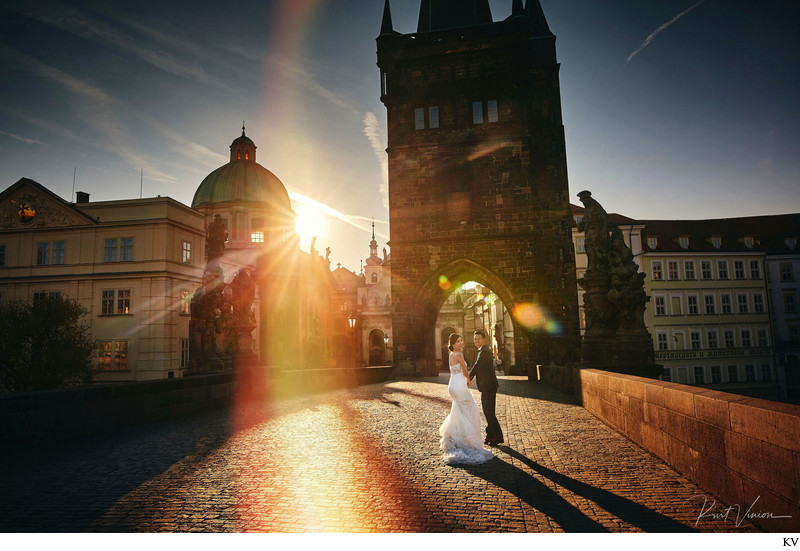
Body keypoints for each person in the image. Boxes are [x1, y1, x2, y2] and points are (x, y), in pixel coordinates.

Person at [439, 334, 494, 465]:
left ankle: (457, 437)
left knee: (458, 411)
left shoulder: (451, 354)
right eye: (458, 341)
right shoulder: (459, 354)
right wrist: (468, 381)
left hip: (452, 385)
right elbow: (465, 371)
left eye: (461, 340)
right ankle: (467, 440)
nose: (461, 343)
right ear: (452, 343)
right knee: (470, 411)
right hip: (460, 385)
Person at [469, 329, 504, 446]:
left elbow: (477, 365)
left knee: (488, 411)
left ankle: (498, 436)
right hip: (488, 385)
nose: (476, 341)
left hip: (488, 386)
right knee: (489, 411)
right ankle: (490, 435)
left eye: (478, 339)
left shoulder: (485, 350)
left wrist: (468, 378)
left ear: (483, 339)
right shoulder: (484, 350)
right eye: (475, 339)